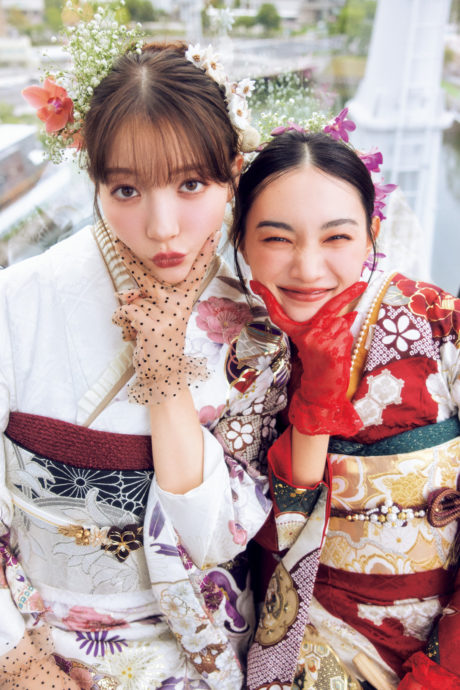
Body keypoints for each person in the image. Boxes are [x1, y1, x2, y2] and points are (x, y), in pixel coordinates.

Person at [0, 13, 289, 689]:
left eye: (191, 185)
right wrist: (17, 659)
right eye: (126, 190)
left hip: (195, 642)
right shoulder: (18, 298)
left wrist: (165, 375)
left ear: (233, 174)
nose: (162, 228)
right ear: (95, 179)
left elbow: (213, 539)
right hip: (36, 632)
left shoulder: (257, 323)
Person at [229, 124, 460, 689]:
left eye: (336, 237)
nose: (308, 270)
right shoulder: (228, 357)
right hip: (308, 648)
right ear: (240, 239)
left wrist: (439, 674)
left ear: (371, 233)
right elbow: (239, 540)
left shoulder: (437, 323)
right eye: (277, 239)